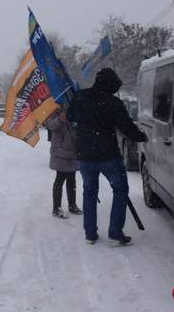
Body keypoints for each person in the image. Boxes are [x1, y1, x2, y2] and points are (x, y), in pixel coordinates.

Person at [68, 68, 147, 246]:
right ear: (110, 84)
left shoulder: (79, 97)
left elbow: (70, 116)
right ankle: (115, 233)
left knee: (89, 193)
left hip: (85, 156)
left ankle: (90, 234)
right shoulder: (113, 103)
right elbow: (127, 127)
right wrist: (142, 137)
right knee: (120, 190)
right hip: (108, 156)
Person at [46, 107, 81, 218]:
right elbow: (50, 126)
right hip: (61, 153)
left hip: (73, 151)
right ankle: (56, 208)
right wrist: (60, 119)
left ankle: (72, 205)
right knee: (59, 180)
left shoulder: (73, 109)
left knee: (72, 180)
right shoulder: (54, 110)